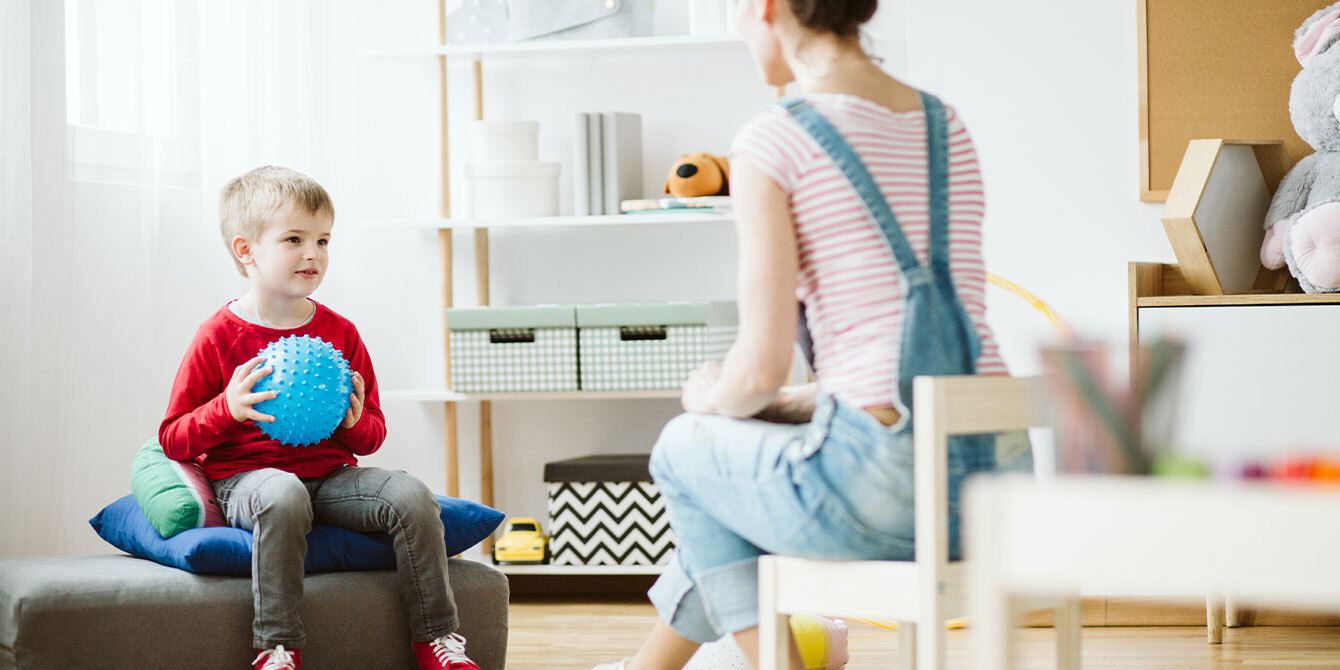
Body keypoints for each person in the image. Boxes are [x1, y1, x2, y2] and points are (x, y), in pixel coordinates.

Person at [593, 0, 1028, 667]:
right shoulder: (946, 124)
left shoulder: (773, 139)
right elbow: (888, 376)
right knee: (730, 495)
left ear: (767, 7)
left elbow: (760, 367)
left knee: (684, 451)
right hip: (1000, 481)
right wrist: (771, 405)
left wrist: (713, 398)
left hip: (887, 494)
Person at [159, 166, 482, 670]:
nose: (313, 253)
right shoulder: (218, 334)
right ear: (247, 250)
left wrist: (353, 423)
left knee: (411, 495)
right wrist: (229, 408)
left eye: (323, 240)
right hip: (249, 479)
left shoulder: (340, 333)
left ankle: (436, 640)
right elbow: (174, 438)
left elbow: (373, 434)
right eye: (294, 239)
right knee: (283, 494)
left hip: (331, 477)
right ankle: (278, 647)